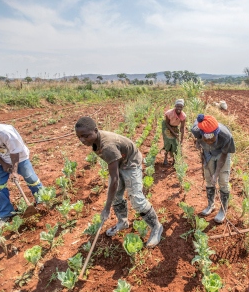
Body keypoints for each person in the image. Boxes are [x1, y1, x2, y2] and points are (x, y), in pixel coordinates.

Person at [75, 116, 163, 248]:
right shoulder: (95, 139)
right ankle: (123, 222)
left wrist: (106, 208)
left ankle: (156, 227)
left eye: (85, 136)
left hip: (130, 162)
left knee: (137, 200)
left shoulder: (107, 147)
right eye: (79, 137)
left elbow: (114, 180)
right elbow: (114, 178)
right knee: (116, 196)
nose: (82, 140)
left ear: (95, 130)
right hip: (119, 161)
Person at [191, 114, 235, 223]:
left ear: (217, 133)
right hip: (208, 153)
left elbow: (224, 155)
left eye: (212, 140)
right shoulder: (196, 130)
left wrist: (216, 173)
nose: (210, 141)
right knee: (209, 179)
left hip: (221, 154)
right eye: (207, 139)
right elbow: (196, 138)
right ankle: (211, 205)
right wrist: (197, 142)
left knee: (223, 181)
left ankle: (223, 210)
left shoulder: (226, 136)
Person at [162, 99, 186, 165]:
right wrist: (173, 133)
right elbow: (166, 123)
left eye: (180, 107)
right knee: (168, 142)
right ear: (175, 106)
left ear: (182, 107)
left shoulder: (183, 116)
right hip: (167, 126)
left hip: (175, 127)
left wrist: (181, 140)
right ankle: (165, 157)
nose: (179, 108)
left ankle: (174, 160)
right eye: (177, 106)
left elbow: (182, 127)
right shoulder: (169, 113)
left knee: (176, 144)